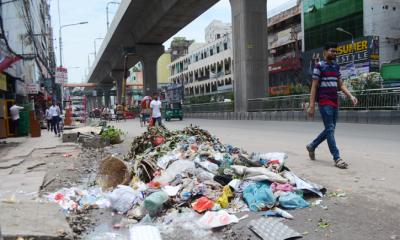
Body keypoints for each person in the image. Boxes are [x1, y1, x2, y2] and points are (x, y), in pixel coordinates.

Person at [306, 42, 358, 169]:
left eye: (336, 51)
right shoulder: (319, 66)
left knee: (330, 129)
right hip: (324, 102)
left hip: (335, 102)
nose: (334, 53)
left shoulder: (336, 66)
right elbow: (313, 87)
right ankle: (337, 158)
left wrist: (350, 96)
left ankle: (312, 146)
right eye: (332, 51)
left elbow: (341, 84)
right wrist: (311, 105)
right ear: (325, 52)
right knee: (330, 128)